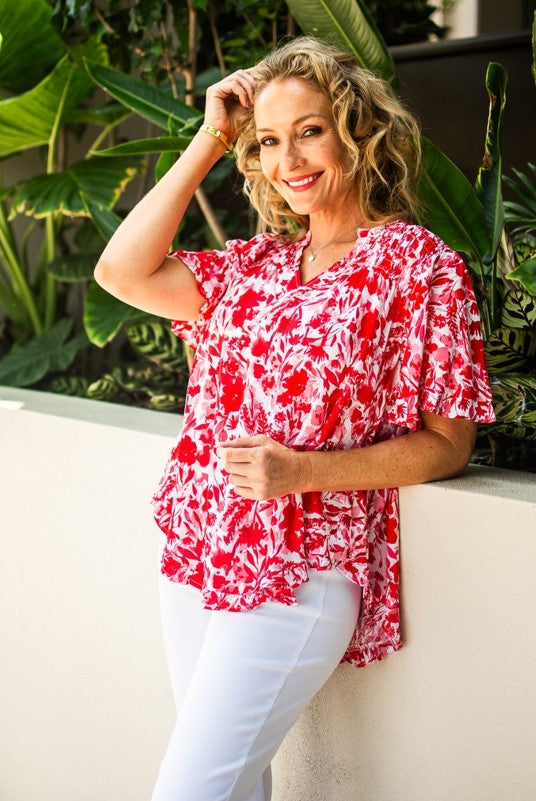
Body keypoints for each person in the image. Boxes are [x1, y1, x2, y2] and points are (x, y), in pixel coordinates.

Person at [94, 36, 495, 801]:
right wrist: (213, 136)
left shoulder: (419, 267)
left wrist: (306, 470)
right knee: (234, 786)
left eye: (309, 130)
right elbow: (121, 271)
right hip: (197, 555)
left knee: (189, 790)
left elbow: (450, 443)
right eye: (269, 141)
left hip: (301, 571)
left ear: (356, 129)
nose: (289, 160)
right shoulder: (253, 266)